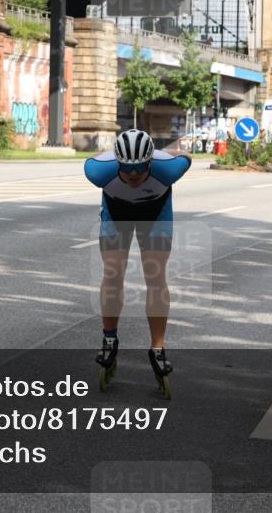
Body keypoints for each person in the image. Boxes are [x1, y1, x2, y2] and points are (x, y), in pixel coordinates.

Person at [84, 129, 191, 399]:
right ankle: (109, 338)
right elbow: (92, 159)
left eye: (141, 168)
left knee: (155, 277)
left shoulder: (168, 169)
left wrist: (167, 154)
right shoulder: (99, 172)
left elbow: (186, 158)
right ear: (118, 162)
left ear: (150, 162)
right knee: (112, 272)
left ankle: (158, 348)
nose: (133, 175)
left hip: (155, 210)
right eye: (127, 169)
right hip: (116, 210)